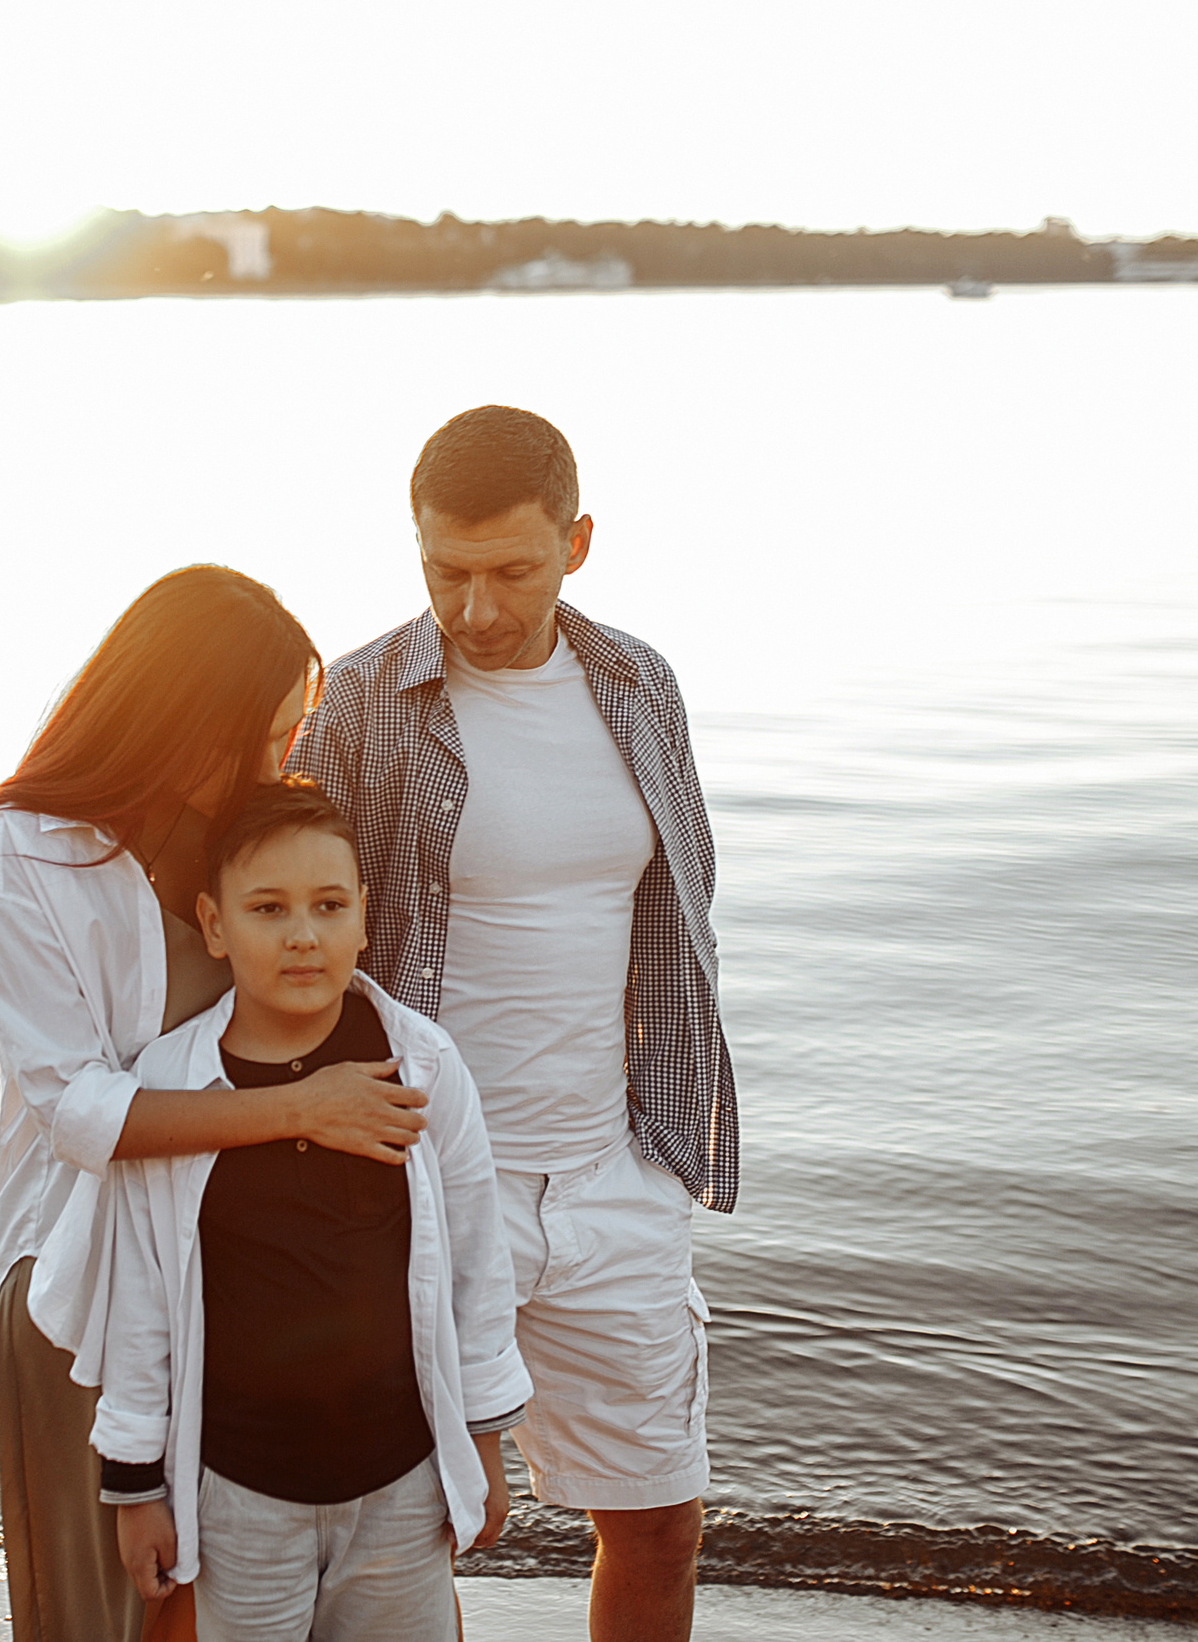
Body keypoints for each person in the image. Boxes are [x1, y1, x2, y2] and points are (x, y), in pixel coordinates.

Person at [291, 406, 739, 1642]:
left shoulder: (641, 684)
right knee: (410, 1526)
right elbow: (292, 924)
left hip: (616, 1174)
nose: (477, 609)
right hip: (424, 1179)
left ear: (578, 543)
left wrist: (669, 1132)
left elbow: (682, 913)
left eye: (512, 571)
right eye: (447, 571)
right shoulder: (365, 698)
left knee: (657, 1520)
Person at [0, 565, 433, 1642]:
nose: (284, 763)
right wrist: (301, 1111)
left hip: (245, 1266)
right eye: (262, 738)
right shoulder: (20, 852)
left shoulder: (245, 838)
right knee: (120, 1610)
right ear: (181, 720)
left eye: (292, 735)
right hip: (83, 1272)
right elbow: (80, 1113)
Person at [31, 779, 529, 1642]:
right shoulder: (175, 1087)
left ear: (364, 917)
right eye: (268, 908)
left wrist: (482, 1436)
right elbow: (146, 1301)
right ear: (215, 924)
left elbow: (478, 1267)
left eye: (329, 904)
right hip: (238, 1497)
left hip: (402, 1488)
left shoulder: (420, 1066)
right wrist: (137, 1486)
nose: (303, 933)